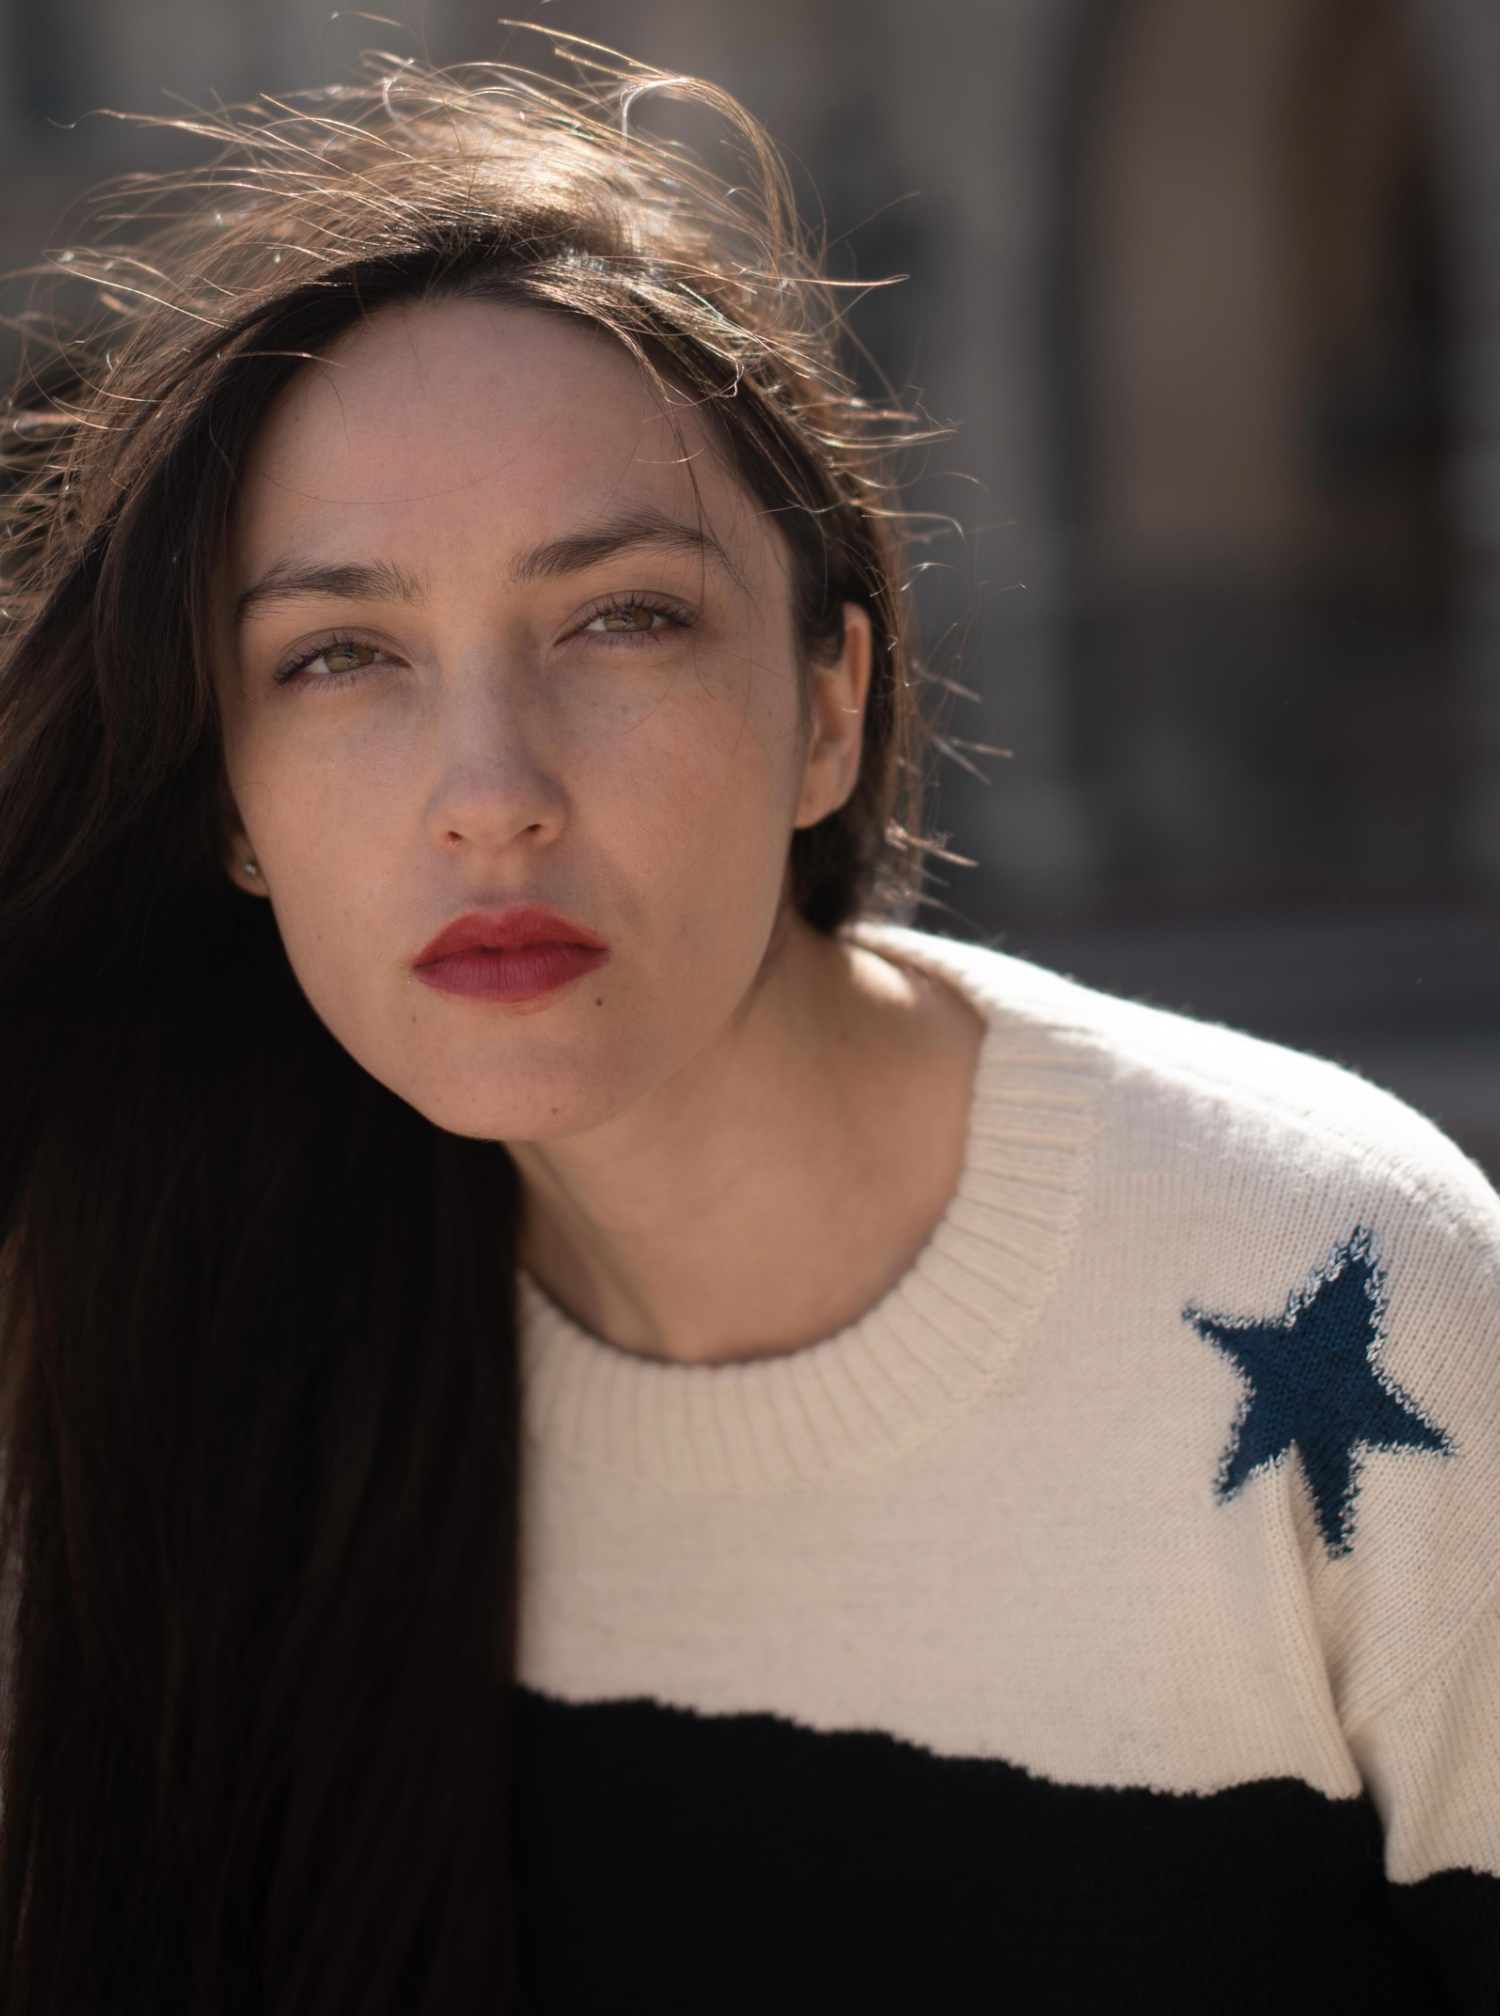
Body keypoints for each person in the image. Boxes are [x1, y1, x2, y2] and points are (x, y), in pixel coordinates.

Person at [0, 43, 1497, 2016]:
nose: (489, 789)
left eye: (621, 616)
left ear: (829, 706)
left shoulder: (1338, 1274)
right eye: (341, 654)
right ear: (229, 804)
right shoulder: (204, 1341)